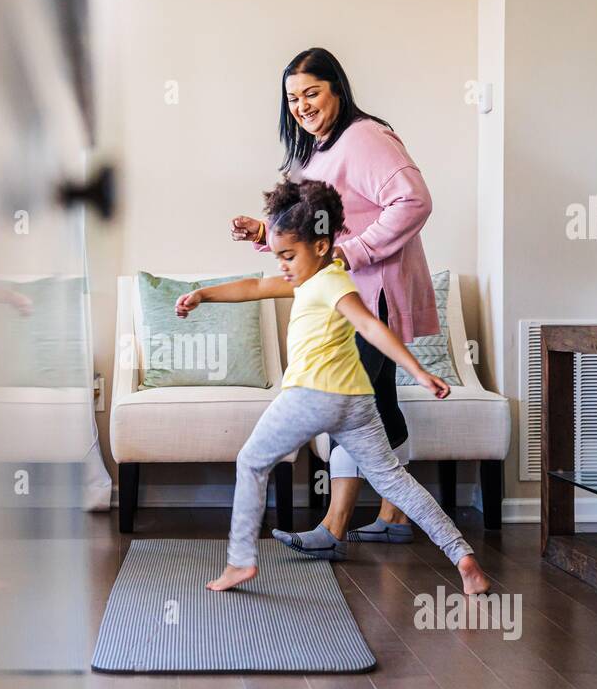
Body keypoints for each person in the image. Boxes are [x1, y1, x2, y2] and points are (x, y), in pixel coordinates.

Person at [182, 178, 491, 595]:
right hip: (355, 403)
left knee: (251, 462)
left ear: (323, 246)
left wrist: (417, 370)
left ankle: (239, 563)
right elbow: (255, 287)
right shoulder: (320, 278)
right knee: (394, 479)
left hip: (311, 396)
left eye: (289, 255)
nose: (283, 266)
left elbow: (371, 325)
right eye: (279, 256)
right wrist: (204, 294)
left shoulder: (329, 282)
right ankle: (463, 557)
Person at [231, 47, 441, 555]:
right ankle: (392, 516)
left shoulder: (365, 137)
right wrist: (267, 233)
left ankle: (335, 524)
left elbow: (414, 200)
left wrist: (354, 252)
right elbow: (314, 230)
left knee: (347, 402)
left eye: (311, 92)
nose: (301, 105)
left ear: (337, 90)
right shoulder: (320, 150)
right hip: (349, 292)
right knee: (377, 401)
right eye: (293, 98)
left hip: (373, 292)